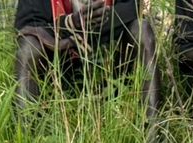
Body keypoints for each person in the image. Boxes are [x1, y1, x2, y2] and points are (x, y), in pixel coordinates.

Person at [14, 0, 159, 123]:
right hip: (59, 70)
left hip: (113, 67)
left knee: (142, 30)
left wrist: (95, 24)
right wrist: (69, 24)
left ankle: (155, 138)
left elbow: (134, 7)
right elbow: (26, 25)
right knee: (29, 48)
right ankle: (25, 137)